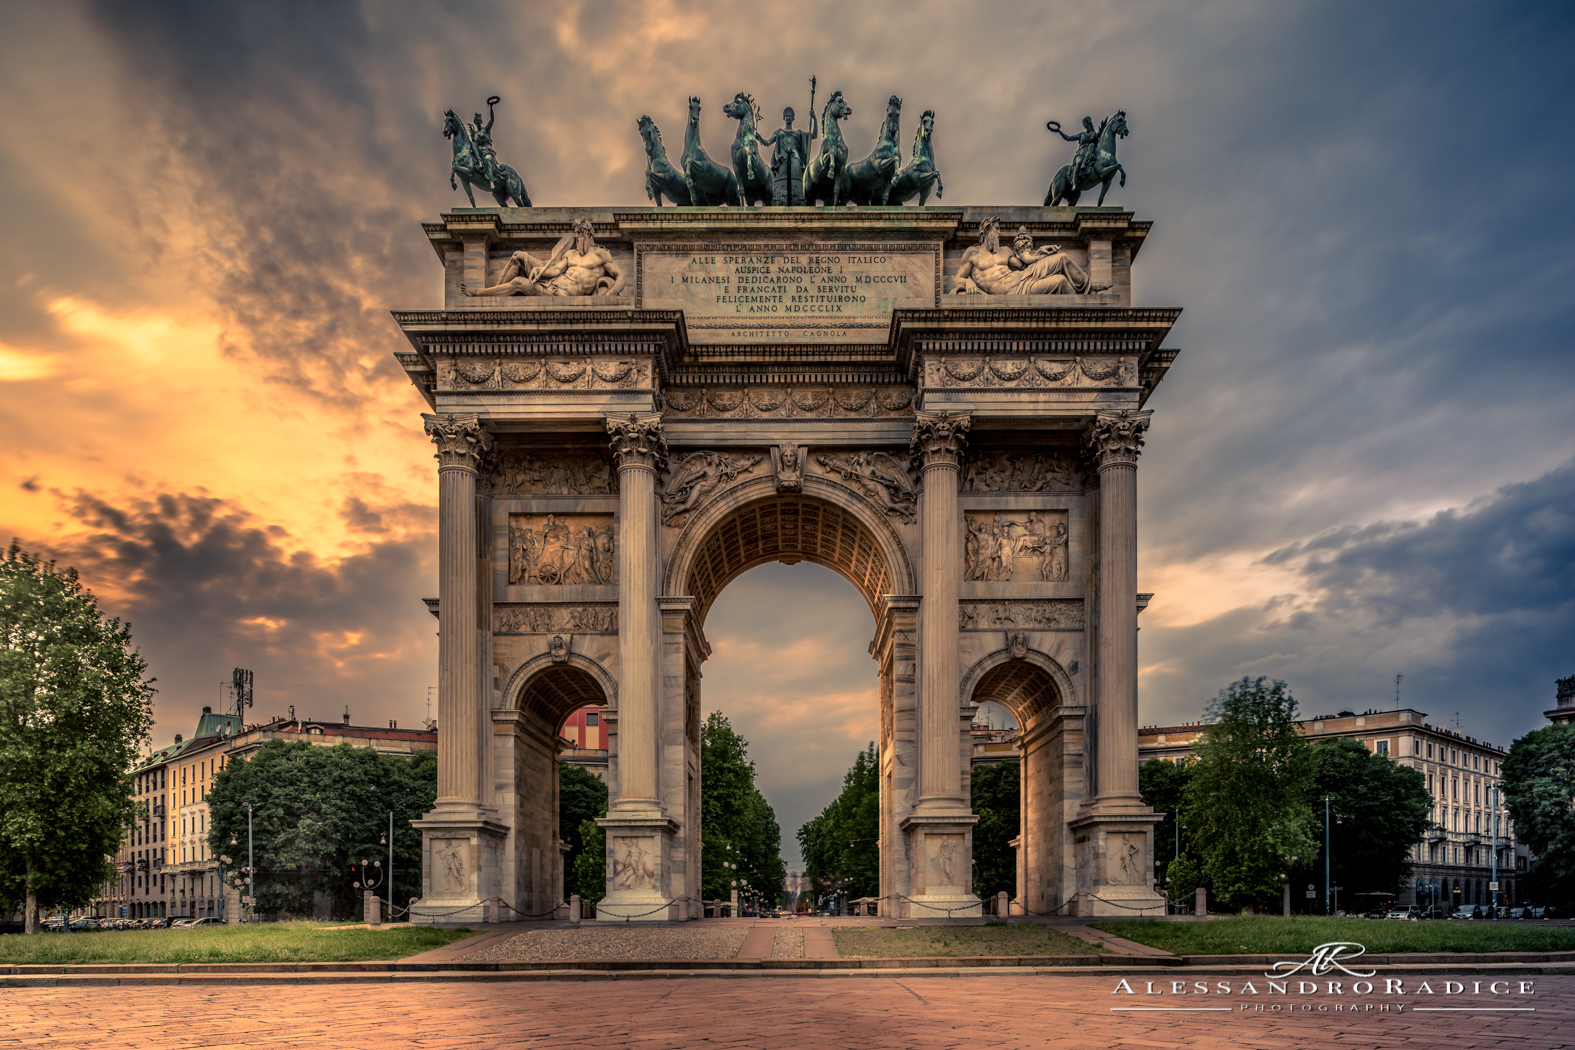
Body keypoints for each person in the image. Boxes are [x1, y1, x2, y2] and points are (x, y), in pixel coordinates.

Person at [462, 219, 625, 297]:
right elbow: (555, 270)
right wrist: (539, 270)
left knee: (519, 282)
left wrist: (613, 292)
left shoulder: (601, 255)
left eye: (580, 235)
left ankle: (479, 294)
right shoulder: (570, 254)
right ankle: (492, 297)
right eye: (576, 236)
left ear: (589, 234)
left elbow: (621, 276)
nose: (577, 239)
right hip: (553, 284)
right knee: (518, 256)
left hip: (563, 295)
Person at [953, 218, 1111, 296]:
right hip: (1017, 292)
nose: (1000, 233)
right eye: (997, 229)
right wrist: (967, 282)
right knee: (1061, 281)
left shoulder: (1005, 251)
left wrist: (1040, 253)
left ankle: (1089, 288)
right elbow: (957, 278)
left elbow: (1025, 265)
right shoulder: (972, 253)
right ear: (986, 230)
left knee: (1062, 258)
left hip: (1025, 277)